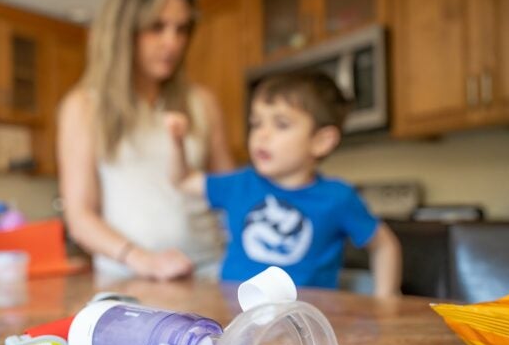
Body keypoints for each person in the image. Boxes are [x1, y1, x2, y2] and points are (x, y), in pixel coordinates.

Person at [58, 0, 233, 281]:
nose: (172, 43)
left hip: (208, 272)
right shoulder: (84, 106)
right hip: (127, 277)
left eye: (182, 29)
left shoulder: (202, 103)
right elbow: (80, 215)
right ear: (124, 30)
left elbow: (232, 194)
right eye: (157, 27)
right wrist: (142, 259)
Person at [168, 71, 402, 297]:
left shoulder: (338, 198)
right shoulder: (239, 184)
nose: (262, 134)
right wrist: (177, 143)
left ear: (321, 141)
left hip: (303, 327)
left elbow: (384, 245)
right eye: (257, 123)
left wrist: (387, 297)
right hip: (233, 320)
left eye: (281, 124)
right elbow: (183, 180)